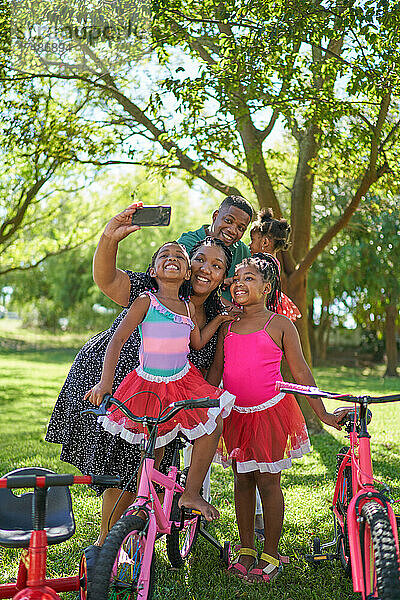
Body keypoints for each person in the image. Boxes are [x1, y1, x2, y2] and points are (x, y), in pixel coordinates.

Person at [45, 204, 234, 554]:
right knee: (123, 472)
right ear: (188, 261)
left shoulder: (210, 313)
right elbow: (106, 279)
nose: (205, 269)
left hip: (175, 394)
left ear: (225, 277)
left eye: (217, 266)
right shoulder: (154, 286)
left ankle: (131, 543)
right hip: (119, 383)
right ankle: (106, 548)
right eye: (200, 260)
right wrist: (110, 237)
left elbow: (211, 366)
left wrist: (202, 409)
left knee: (149, 471)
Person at [207, 254, 348, 583]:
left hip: (270, 412)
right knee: (242, 481)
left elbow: (300, 372)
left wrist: (324, 413)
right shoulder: (227, 325)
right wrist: (203, 407)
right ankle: (245, 548)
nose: (239, 283)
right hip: (237, 414)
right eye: (236, 278)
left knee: (268, 483)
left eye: (249, 278)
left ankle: (270, 552)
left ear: (267, 288)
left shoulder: (280, 324)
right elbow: (217, 371)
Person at [86, 241, 235, 521]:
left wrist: (219, 321)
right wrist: (105, 383)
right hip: (147, 384)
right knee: (151, 449)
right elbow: (117, 339)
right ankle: (141, 503)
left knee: (213, 421)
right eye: (164, 255)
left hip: (182, 381)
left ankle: (191, 492)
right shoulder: (146, 300)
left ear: (187, 273)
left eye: (180, 256)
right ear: (153, 271)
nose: (172, 258)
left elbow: (198, 342)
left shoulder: (188, 307)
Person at [178, 195, 253, 300]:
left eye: (240, 228)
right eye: (228, 221)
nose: (232, 230)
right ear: (215, 216)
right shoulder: (187, 244)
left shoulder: (243, 253)